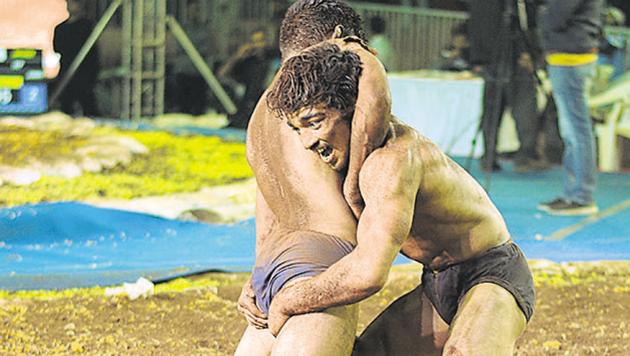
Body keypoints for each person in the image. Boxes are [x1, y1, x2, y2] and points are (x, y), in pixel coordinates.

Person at [262, 42, 535, 355]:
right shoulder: (345, 155)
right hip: (437, 283)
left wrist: (287, 300)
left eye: (314, 122)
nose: (309, 141)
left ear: (351, 110)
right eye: (298, 129)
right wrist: (259, 281)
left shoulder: (393, 159)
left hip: (492, 273)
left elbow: (368, 274)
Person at [234, 1, 391, 354]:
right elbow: (374, 80)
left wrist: (258, 276)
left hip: (270, 268)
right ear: (337, 38)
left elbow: (267, 200)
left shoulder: (263, 110)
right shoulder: (341, 63)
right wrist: (354, 189)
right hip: (321, 259)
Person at [538, 0, 603, 216]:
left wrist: (543, 12)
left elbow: (556, 16)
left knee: (576, 131)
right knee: (572, 131)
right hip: (570, 56)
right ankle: (573, 193)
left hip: (571, 58)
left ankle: (581, 195)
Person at [469, 0, 549, 173]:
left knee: (491, 111)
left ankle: (488, 157)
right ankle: (526, 157)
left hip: (489, 58)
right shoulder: (512, 4)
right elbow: (519, 22)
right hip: (513, 57)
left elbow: (475, 22)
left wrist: (477, 58)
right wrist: (526, 52)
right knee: (524, 107)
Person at [219, 29, 280, 128]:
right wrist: (238, 56)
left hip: (268, 108)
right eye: (254, 42)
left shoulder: (276, 59)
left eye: (261, 41)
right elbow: (223, 74)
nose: (258, 45)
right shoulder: (250, 62)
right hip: (249, 106)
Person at [52, 0, 100, 116]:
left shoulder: (87, 26)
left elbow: (93, 52)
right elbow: (57, 48)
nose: (71, 6)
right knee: (65, 108)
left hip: (84, 75)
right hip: (66, 74)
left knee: (89, 108)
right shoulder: (60, 28)